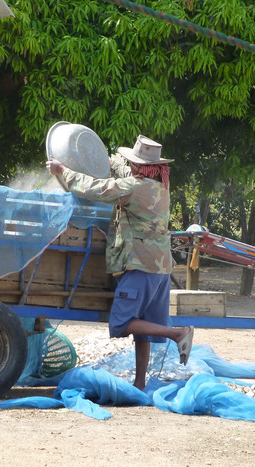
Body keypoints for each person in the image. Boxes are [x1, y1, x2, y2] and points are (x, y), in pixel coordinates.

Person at [46, 134, 194, 390]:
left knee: (122, 323)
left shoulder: (133, 187)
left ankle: (177, 333)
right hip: (159, 268)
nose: (132, 166)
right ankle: (139, 383)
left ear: (140, 167)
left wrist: (64, 171)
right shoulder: (159, 185)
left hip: (139, 264)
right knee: (143, 330)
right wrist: (108, 160)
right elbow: (124, 170)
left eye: (133, 163)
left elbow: (96, 188)